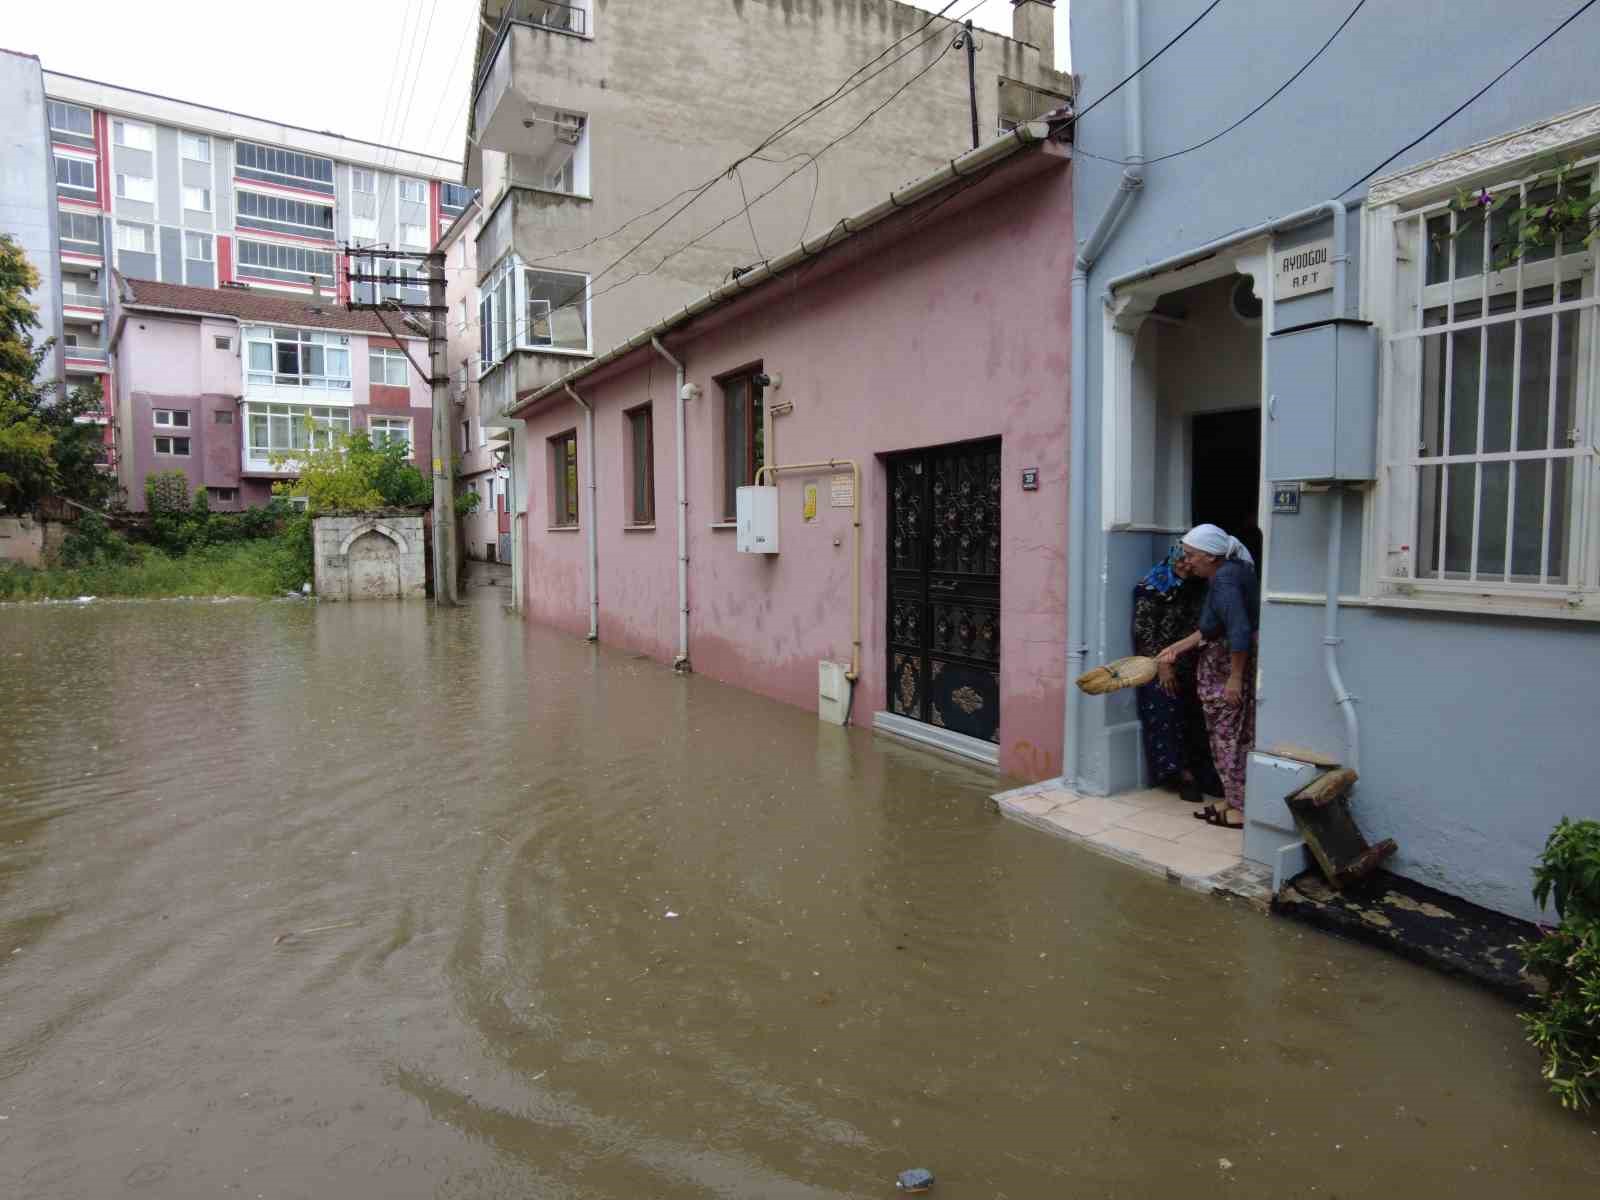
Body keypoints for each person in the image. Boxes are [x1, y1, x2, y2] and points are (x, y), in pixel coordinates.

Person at [1155, 524, 1260, 828]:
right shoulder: (1232, 571)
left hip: (1226, 667)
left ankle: (1239, 809)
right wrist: (1176, 648)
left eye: (1191, 555)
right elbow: (1213, 627)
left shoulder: (1225, 579)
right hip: (1226, 660)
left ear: (1211, 556)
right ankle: (1233, 798)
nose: (1187, 561)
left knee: (1227, 737)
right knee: (1234, 736)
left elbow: (1238, 630)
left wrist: (1235, 678)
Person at [1131, 545, 1221, 804]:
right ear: (1170, 559)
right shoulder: (1149, 589)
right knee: (1167, 709)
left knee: (1198, 716)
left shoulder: (1199, 587)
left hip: (1192, 660)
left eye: (1189, 562)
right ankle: (1182, 775)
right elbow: (1144, 633)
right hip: (1161, 665)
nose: (1185, 566)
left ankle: (1205, 773)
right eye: (1180, 562)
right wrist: (1163, 665)